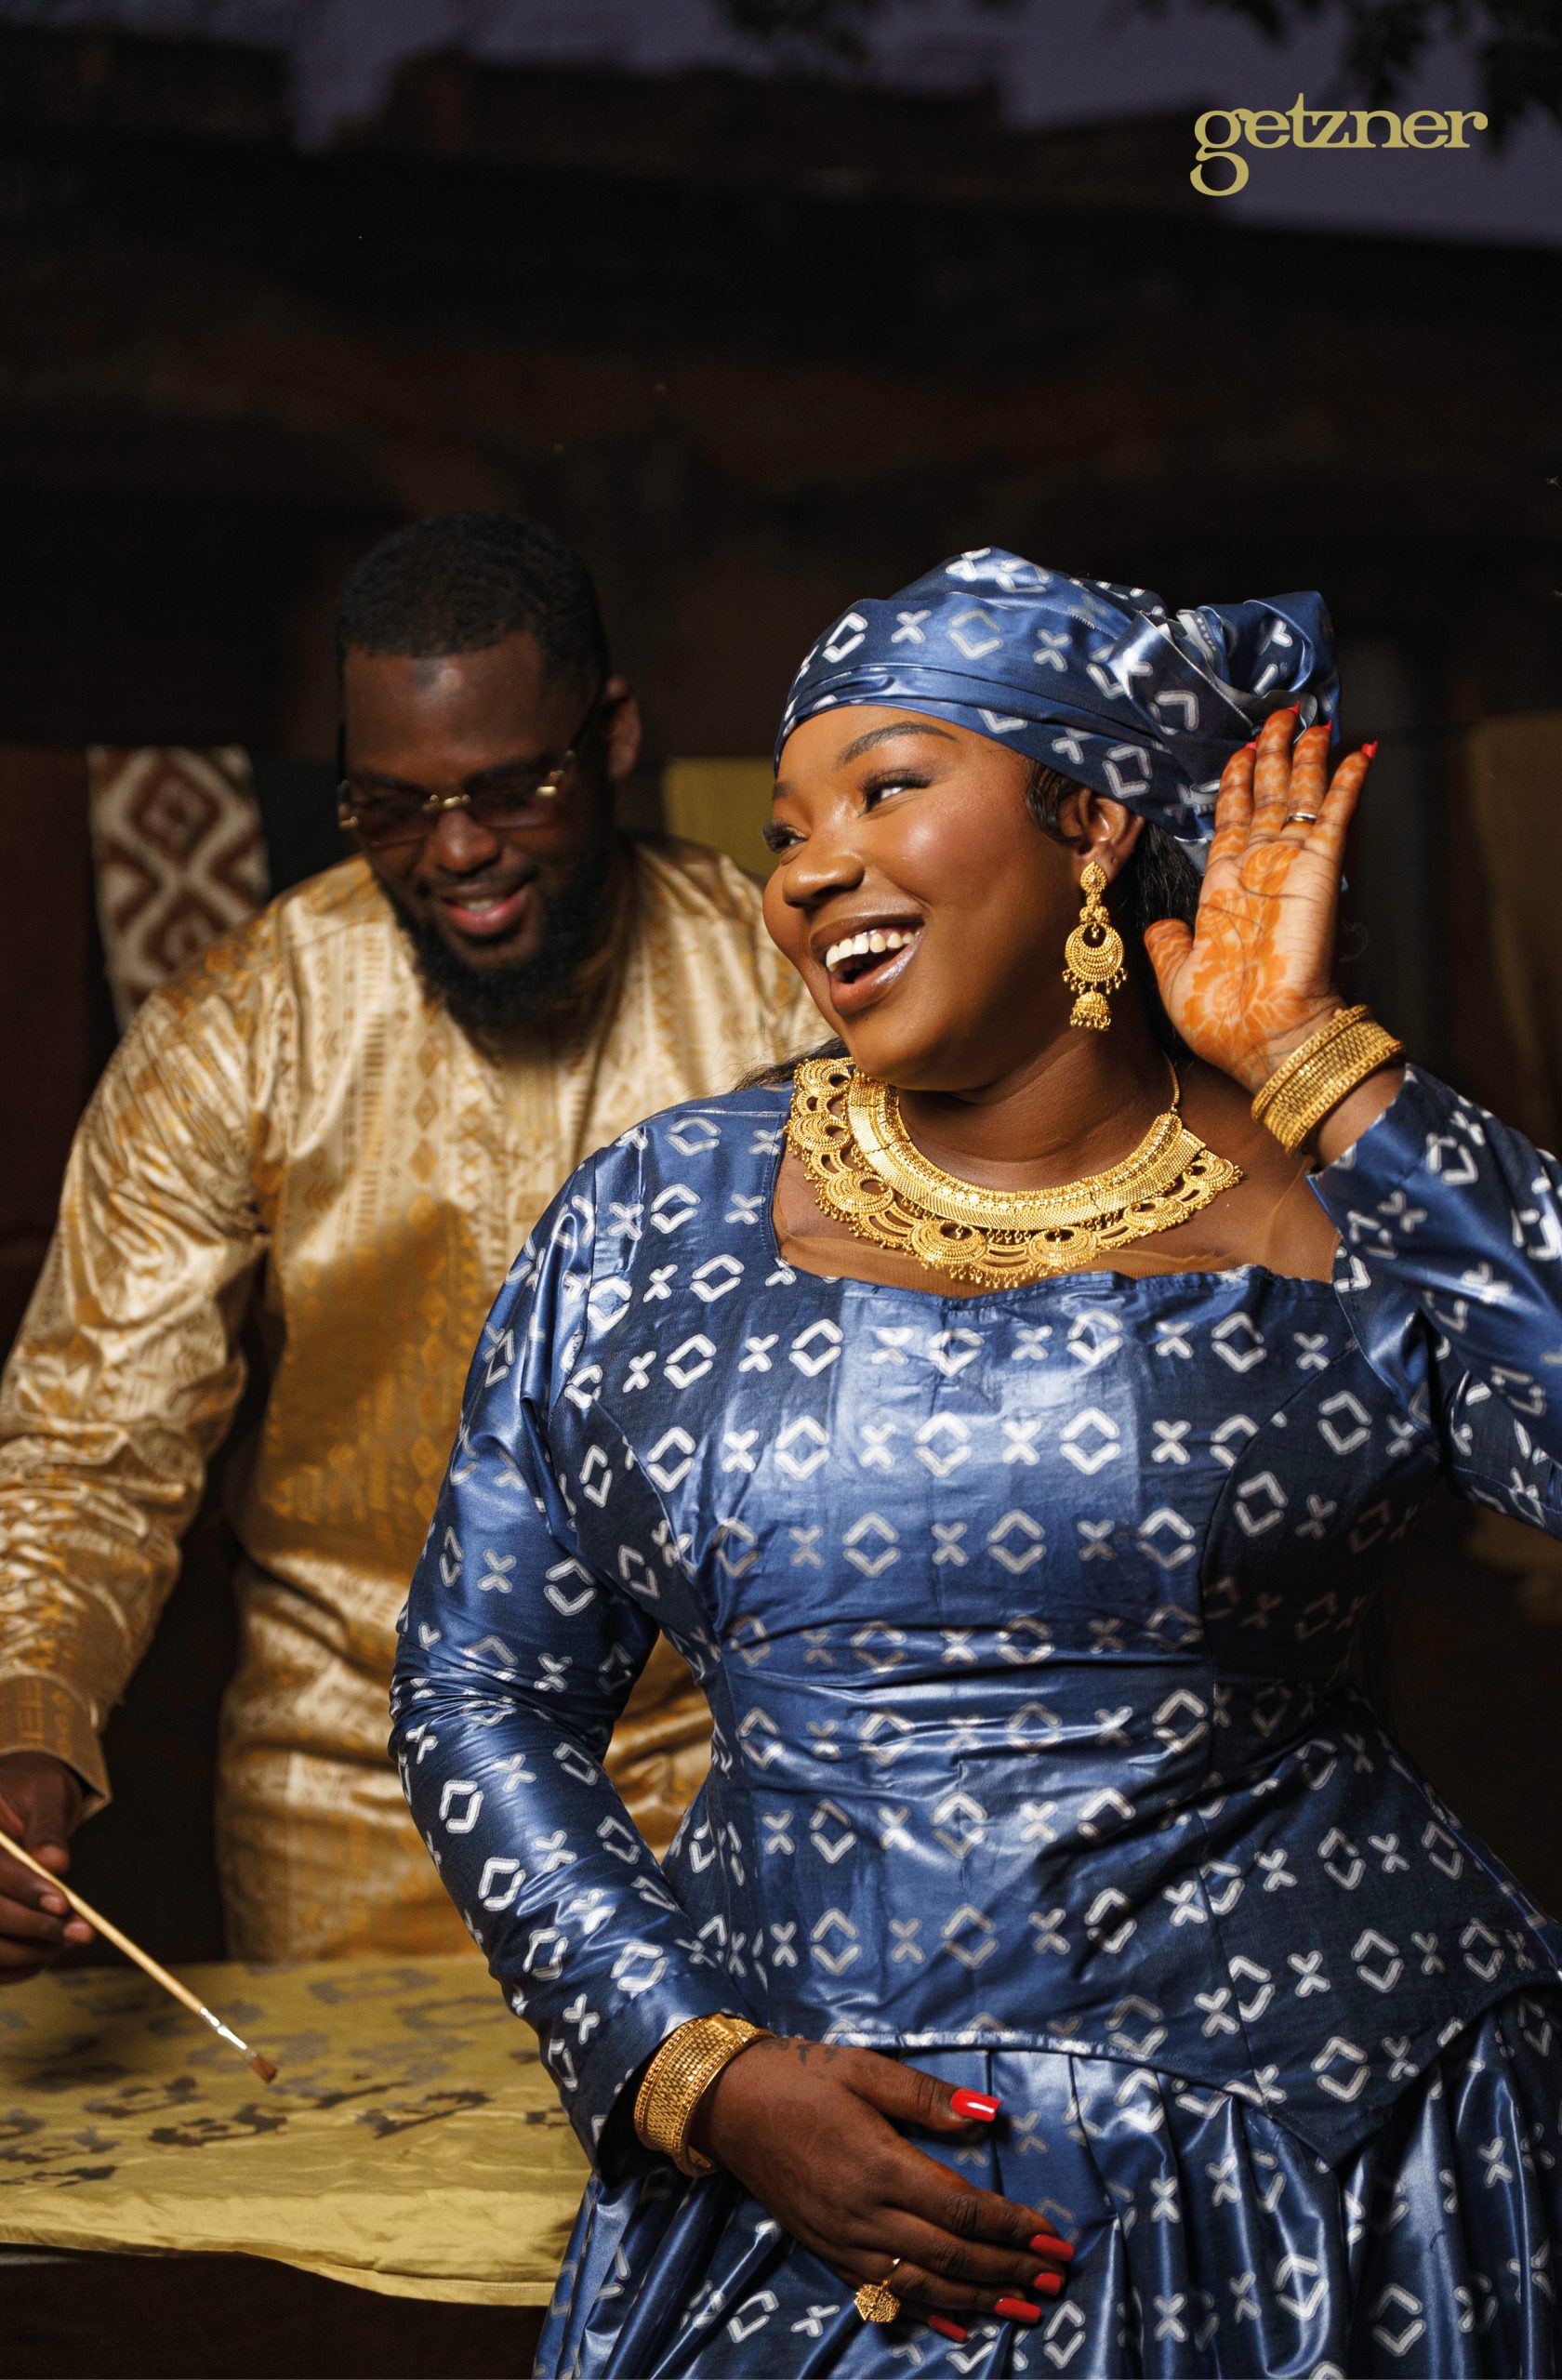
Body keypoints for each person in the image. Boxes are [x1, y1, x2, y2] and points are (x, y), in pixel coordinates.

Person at [392, 548, 1562, 2377]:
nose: (810, 869)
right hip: (801, 2181)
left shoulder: (1333, 1197)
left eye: (887, 788)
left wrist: (1323, 1068)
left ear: (1092, 821)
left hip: (1328, 2161)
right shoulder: (652, 1215)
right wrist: (693, 2064)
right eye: (788, 825)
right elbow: (479, 1687)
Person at [0, 510, 815, 1977]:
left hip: (727, 1768)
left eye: (513, 790)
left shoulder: (791, 997)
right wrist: (26, 1719)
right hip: (351, 1795)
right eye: (390, 808)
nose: (456, 854)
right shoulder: (237, 1030)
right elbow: (90, 1443)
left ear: (613, 735)